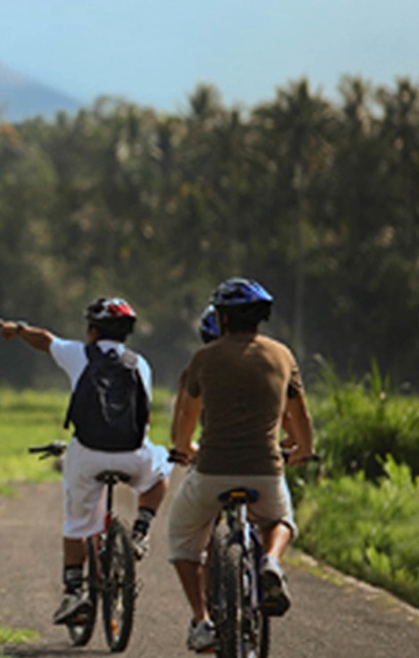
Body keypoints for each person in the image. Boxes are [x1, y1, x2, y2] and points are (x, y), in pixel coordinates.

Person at [0, 298, 171, 625]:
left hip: (88, 452)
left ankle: (73, 593)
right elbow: (143, 416)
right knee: (160, 470)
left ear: (92, 330)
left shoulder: (79, 353)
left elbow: (45, 339)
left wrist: (18, 329)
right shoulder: (140, 364)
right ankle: (141, 531)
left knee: (76, 523)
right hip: (134, 453)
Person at [166, 278, 315, 653]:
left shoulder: (204, 358)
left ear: (223, 317)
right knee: (281, 520)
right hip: (265, 471)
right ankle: (270, 561)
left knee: (182, 541)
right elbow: (299, 416)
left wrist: (183, 448)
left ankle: (202, 621)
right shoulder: (282, 355)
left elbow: (185, 418)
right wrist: (302, 449)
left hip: (212, 471)